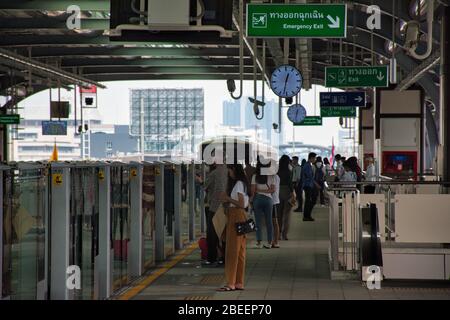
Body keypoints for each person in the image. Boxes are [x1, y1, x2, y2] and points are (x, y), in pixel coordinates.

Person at [217, 164, 249, 291]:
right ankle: (238, 282)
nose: (228, 172)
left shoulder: (239, 184)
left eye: (229, 169)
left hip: (236, 215)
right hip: (240, 216)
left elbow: (240, 203)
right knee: (240, 251)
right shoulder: (243, 183)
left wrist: (227, 198)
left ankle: (230, 282)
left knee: (232, 251)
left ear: (234, 170)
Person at [204, 161, 228, 265]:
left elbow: (205, 185)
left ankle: (212, 258)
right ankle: (225, 257)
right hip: (226, 206)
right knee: (224, 233)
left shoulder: (214, 173)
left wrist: (201, 180)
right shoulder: (228, 171)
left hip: (214, 207)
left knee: (212, 233)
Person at [251, 157, 275, 249]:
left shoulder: (255, 176)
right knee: (269, 222)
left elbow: (253, 190)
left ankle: (259, 242)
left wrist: (258, 190)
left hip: (257, 199)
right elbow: (272, 190)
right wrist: (266, 191)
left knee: (258, 222)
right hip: (268, 200)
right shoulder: (271, 176)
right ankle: (269, 242)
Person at [277, 155, 295, 240]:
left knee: (279, 214)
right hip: (287, 192)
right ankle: (285, 234)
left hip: (278, 192)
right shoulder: (289, 171)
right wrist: (293, 193)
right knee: (287, 215)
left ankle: (278, 233)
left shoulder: (277, 171)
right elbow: (290, 183)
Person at [302, 152, 317, 221]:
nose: (315, 159)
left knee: (309, 201)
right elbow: (310, 177)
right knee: (309, 201)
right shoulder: (307, 166)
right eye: (314, 158)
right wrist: (316, 184)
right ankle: (306, 216)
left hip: (309, 185)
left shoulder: (308, 165)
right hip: (308, 185)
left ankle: (307, 215)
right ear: (311, 158)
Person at [271, 172, 281, 248]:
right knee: (274, 222)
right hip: (274, 200)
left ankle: (275, 241)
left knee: (274, 221)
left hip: (272, 201)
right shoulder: (276, 176)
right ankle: (275, 241)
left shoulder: (273, 177)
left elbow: (272, 190)